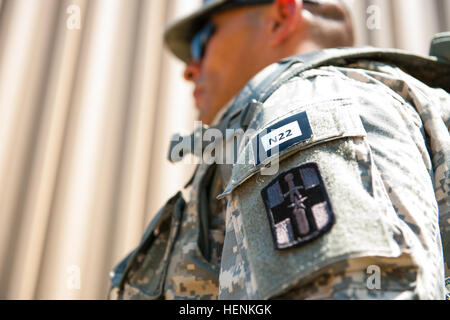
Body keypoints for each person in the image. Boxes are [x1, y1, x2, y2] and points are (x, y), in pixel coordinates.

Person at [108, 0, 450, 300]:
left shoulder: (303, 105)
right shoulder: (257, 132)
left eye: (201, 42)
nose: (189, 69)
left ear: (281, 16)